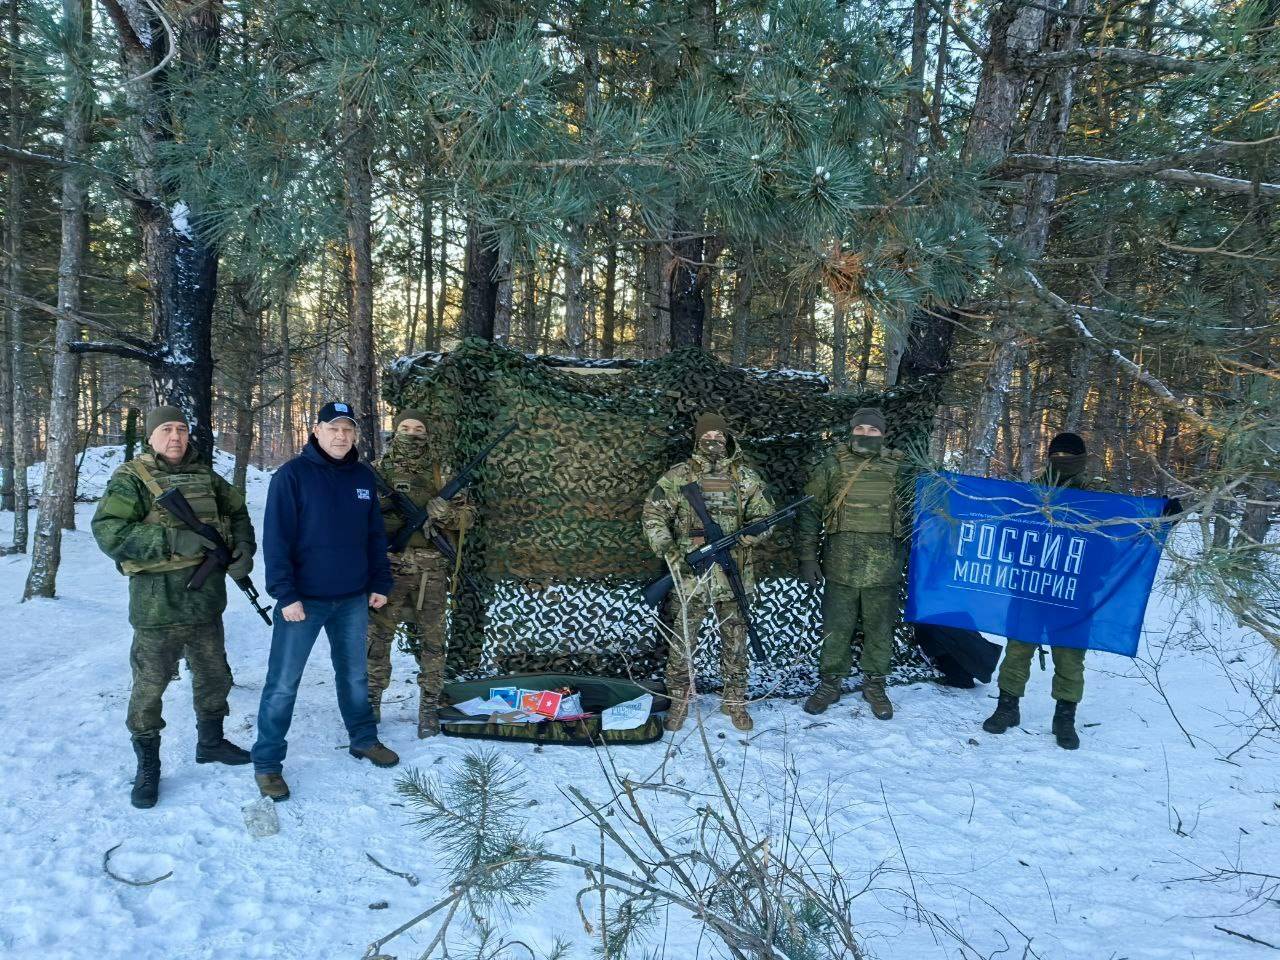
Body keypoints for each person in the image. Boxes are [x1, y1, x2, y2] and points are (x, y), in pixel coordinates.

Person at [92, 406, 256, 809]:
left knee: (215, 677)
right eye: (166, 429)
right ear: (151, 437)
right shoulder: (131, 479)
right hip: (156, 608)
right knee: (149, 689)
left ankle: (211, 742)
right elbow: (108, 531)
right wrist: (172, 542)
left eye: (181, 429)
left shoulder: (207, 477)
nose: (176, 437)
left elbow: (237, 515)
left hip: (205, 604)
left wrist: (243, 551)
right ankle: (148, 766)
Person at [251, 401, 398, 801]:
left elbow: (374, 537)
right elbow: (276, 540)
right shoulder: (292, 477)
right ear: (316, 431)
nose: (341, 436)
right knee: (283, 684)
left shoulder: (363, 477)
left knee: (354, 676)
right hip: (303, 602)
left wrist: (380, 582)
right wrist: (286, 594)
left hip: (351, 600)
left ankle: (363, 739)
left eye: (348, 429)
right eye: (333, 428)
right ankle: (267, 763)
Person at [641, 412, 775, 732]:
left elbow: (765, 516)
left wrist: (752, 534)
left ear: (727, 440)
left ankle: (736, 699)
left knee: (736, 641)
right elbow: (653, 514)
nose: (713, 442)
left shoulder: (746, 478)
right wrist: (672, 554)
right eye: (707, 437)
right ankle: (680, 700)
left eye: (718, 436)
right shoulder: (678, 477)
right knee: (683, 641)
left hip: (734, 573)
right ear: (697, 440)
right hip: (691, 576)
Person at [982, 431, 1102, 750]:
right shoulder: (1031, 492)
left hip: (1074, 589)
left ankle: (1064, 716)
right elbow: (1007, 534)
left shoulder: (1100, 495)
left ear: (1082, 458)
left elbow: (1128, 526)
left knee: (1070, 655)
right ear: (1049, 457)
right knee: (1018, 648)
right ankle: (1007, 707)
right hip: (1030, 586)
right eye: (1057, 456)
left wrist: (1162, 513)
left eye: (1070, 457)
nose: (1063, 462)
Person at [796, 407, 908, 720]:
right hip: (840, 563)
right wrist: (807, 557)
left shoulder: (900, 467)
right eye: (861, 429)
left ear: (883, 434)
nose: (866, 435)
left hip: (884, 564)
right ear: (851, 431)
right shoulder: (832, 465)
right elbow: (809, 511)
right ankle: (830, 683)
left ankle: (875, 683)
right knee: (836, 628)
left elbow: (920, 510)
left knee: (880, 628)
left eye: (873, 431)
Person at [367, 408, 473, 738]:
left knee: (433, 642)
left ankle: (428, 707)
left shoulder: (442, 472)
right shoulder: (376, 471)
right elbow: (356, 516)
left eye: (418, 428)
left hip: (433, 571)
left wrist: (448, 516)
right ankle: (370, 703)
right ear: (395, 430)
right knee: (377, 639)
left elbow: (470, 517)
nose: (412, 433)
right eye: (406, 427)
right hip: (388, 569)